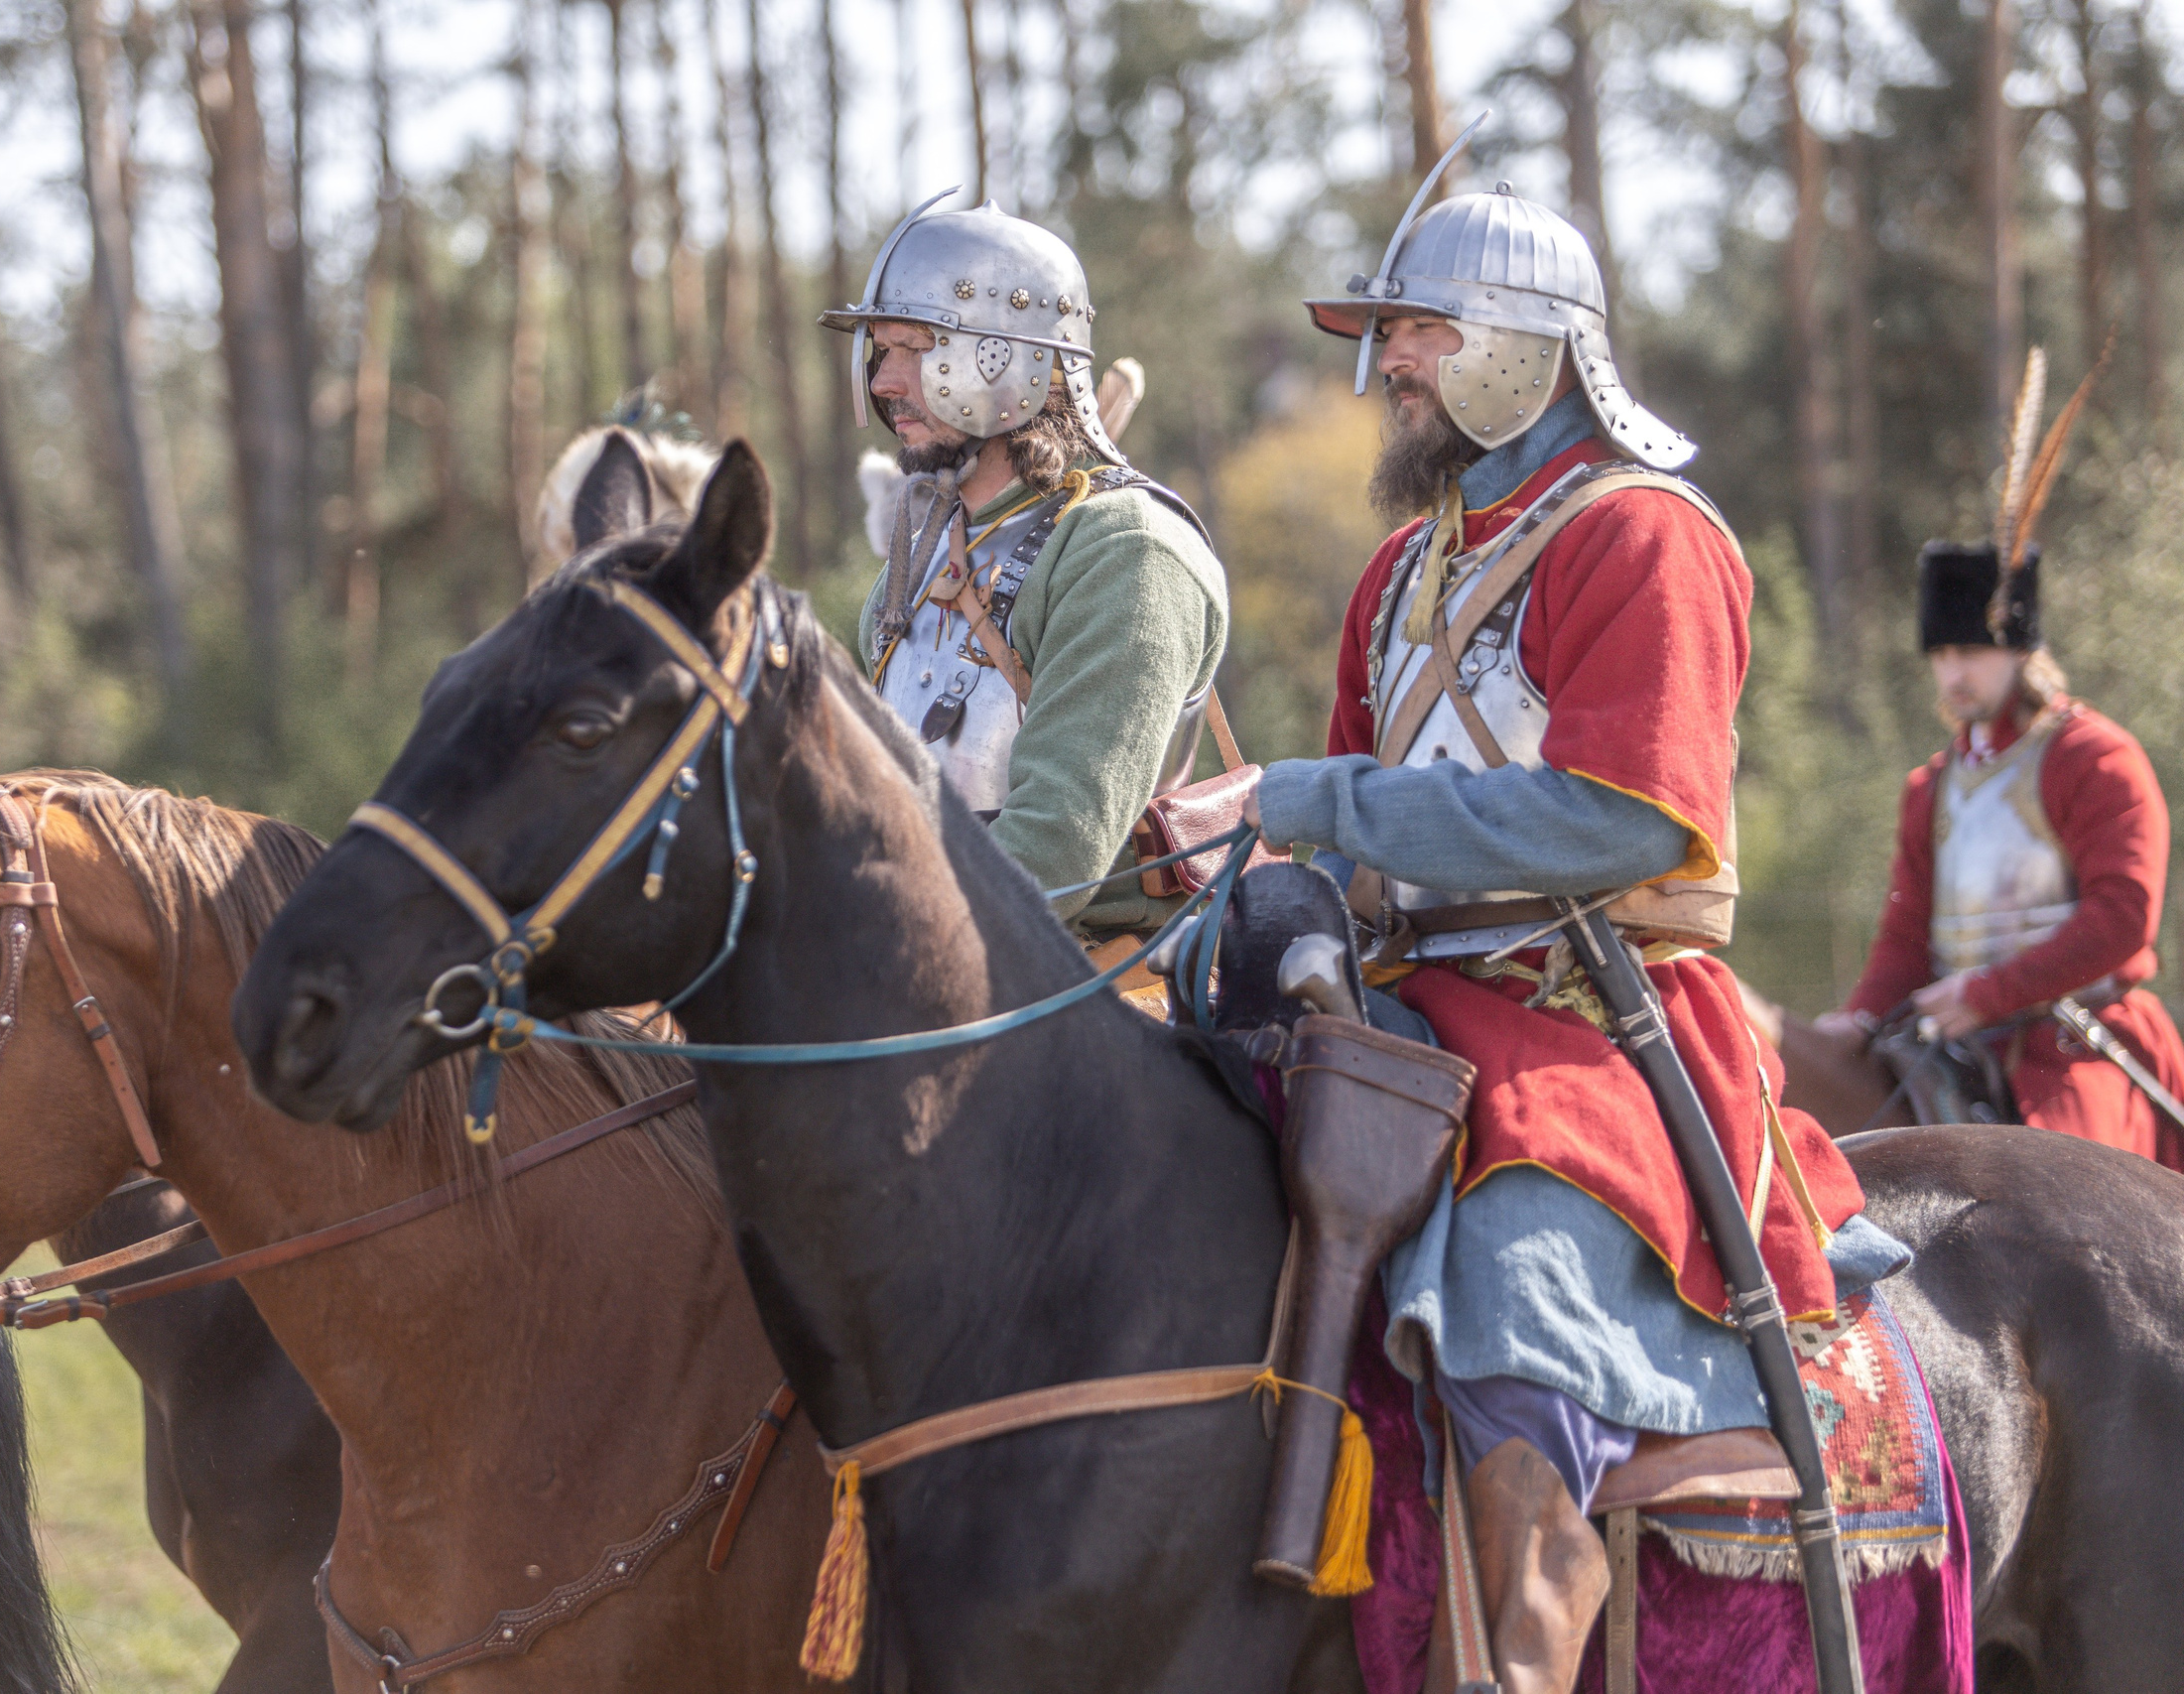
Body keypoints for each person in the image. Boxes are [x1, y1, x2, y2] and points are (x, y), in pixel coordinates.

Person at [1243, 183, 1910, 1691]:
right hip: (1403, 1010)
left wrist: (1316, 798)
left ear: (1527, 346)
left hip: (1583, 1021)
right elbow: (1355, 835)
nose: (1389, 364)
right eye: (1386, 333)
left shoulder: (1643, 536)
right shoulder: (1400, 575)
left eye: (1417, 329)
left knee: (1516, 1284)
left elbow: (1625, 818)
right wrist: (1258, 865)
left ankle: (1519, 1633)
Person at [818, 194, 1227, 936]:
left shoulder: (1126, 550)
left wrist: (849, 935)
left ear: (1007, 359)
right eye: (882, 349)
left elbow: (1052, 856)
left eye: (916, 348)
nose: (884, 379)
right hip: (927, 948)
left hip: (1086, 972)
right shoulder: (926, 550)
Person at [1812, 536, 2184, 1166]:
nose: (1954, 673)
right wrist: (1862, 1018)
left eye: (1973, 652)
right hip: (1963, 1045)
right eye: (1942, 654)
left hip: (2078, 1045)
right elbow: (1907, 935)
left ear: (2018, 650)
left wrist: (1986, 993)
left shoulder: (2094, 758)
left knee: (2070, 1205)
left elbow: (2124, 918)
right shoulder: (1931, 787)